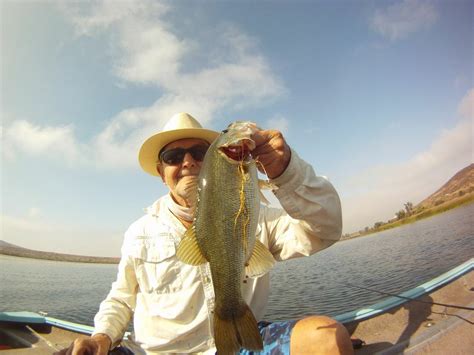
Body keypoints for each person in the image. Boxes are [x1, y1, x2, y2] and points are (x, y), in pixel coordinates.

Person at [57, 112, 353, 355]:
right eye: (173, 156)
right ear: (162, 173)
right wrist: (103, 337)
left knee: (327, 340)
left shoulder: (254, 216)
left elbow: (325, 230)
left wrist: (286, 171)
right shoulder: (139, 232)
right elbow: (121, 299)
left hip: (238, 346)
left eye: (199, 152)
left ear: (212, 160)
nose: (187, 162)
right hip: (153, 352)